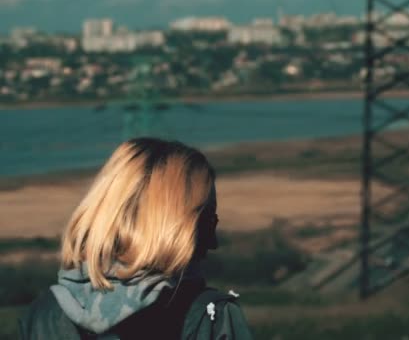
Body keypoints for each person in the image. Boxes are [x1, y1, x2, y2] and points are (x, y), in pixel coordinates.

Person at [19, 138, 253, 339]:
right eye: (207, 223)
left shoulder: (43, 316)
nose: (213, 243)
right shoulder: (211, 316)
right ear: (170, 228)